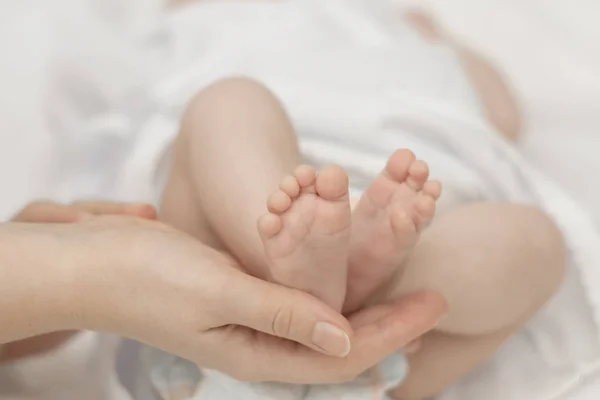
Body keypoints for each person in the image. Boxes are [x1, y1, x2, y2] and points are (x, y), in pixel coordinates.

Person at [125, 2, 565, 400]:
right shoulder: (212, 17)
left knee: (539, 242)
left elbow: (502, 117)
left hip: (395, 225)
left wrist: (439, 39)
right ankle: (307, 267)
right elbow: (505, 115)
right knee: (228, 103)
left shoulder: (404, 27)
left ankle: (336, 276)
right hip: (248, 266)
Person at [0, 200, 447, 387]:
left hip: (202, 285)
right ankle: (326, 284)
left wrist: (55, 278)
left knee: (227, 101)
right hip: (372, 358)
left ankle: (305, 275)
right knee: (505, 247)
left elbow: (20, 346)